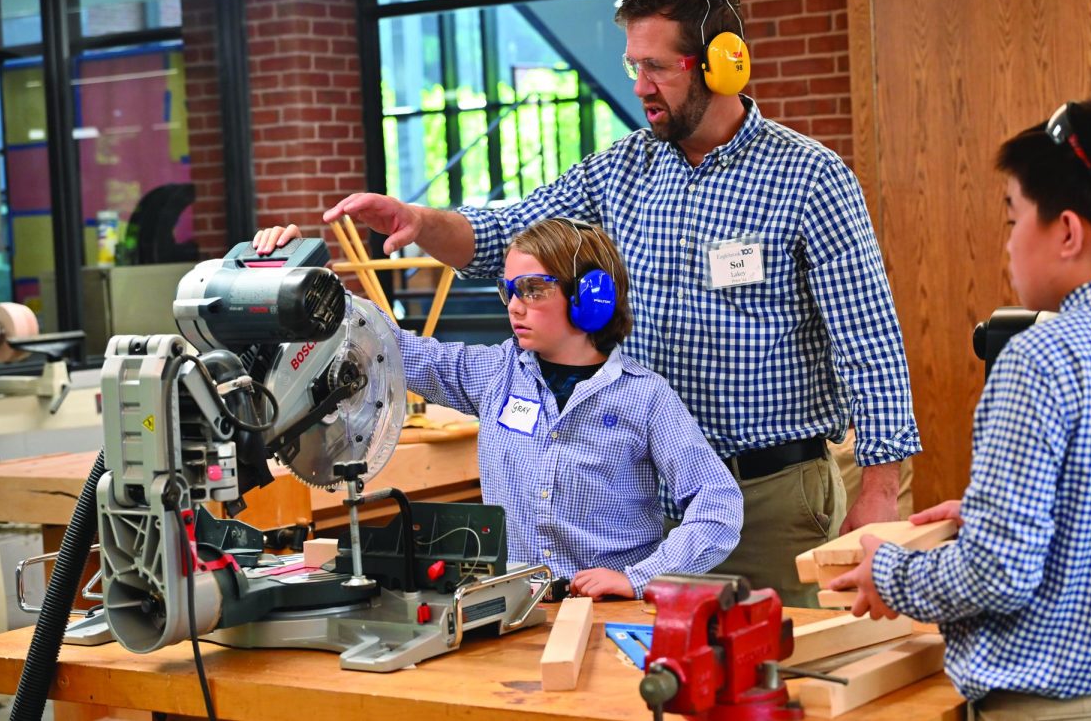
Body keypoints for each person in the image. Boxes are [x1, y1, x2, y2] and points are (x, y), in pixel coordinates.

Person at [264, 0, 922, 605]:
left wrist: (880, 486)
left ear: (722, 64)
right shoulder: (620, 169)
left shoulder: (809, 179)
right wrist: (421, 222)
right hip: (638, 503)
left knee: (771, 686)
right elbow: (508, 235)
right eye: (634, 65)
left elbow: (867, 336)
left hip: (765, 499)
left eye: (657, 67)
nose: (640, 86)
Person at [831, 97, 1091, 718]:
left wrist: (890, 574)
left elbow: (999, 571)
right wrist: (997, 511)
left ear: (1068, 232)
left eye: (1014, 218)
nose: (1010, 243)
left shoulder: (1041, 357)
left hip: (1055, 705)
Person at [255, 218, 743, 600]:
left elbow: (718, 505)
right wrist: (308, 283)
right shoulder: (495, 376)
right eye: (509, 290)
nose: (515, 306)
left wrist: (637, 579)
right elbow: (389, 346)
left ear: (590, 297)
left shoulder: (645, 397)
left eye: (533, 289)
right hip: (517, 609)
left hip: (610, 614)